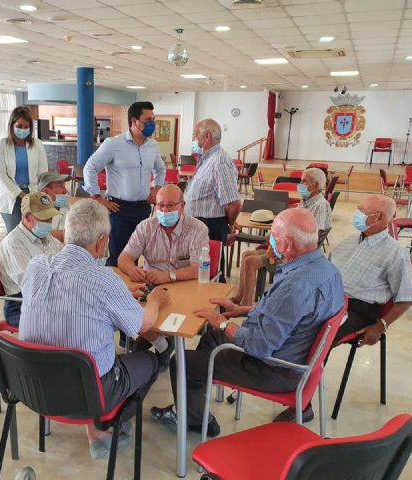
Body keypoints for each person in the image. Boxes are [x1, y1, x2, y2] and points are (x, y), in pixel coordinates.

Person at [150, 209, 344, 437]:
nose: (268, 241)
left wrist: (221, 322)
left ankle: (191, 419)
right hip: (293, 354)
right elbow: (291, 315)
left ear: (288, 245)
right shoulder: (326, 269)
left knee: (182, 362)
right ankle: (197, 408)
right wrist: (241, 309)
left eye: (273, 235)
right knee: (211, 337)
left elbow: (260, 346)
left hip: (274, 368)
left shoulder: (294, 286)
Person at [19, 199, 169, 459]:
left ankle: (97, 429)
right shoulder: (102, 279)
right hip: (87, 395)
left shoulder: (36, 266)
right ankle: (107, 426)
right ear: (101, 242)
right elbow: (143, 324)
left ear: (66, 234)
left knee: (83, 352)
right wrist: (155, 300)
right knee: (151, 361)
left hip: (33, 387)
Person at [273, 194, 412, 423]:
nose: (356, 214)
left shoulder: (395, 252)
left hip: (358, 308)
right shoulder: (350, 240)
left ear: (378, 217)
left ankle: (303, 404)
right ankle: (278, 377)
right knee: (284, 316)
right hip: (329, 295)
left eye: (361, 209)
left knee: (316, 336)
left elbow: (406, 298)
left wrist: (380, 325)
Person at [118, 184, 209, 367]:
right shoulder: (146, 227)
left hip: (186, 286)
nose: (164, 210)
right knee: (124, 309)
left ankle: (155, 340)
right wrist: (132, 270)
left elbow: (197, 269)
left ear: (182, 207)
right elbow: (124, 258)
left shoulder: (197, 229)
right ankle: (161, 344)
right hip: (151, 285)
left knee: (170, 317)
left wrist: (168, 276)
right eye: (160, 205)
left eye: (170, 205)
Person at [229, 167, 333, 305]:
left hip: (296, 256)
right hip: (286, 248)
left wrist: (279, 247)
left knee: (250, 262)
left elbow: (312, 240)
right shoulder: (305, 202)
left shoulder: (320, 205)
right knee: (246, 255)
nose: (300, 184)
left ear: (314, 185)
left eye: (303, 181)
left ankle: (246, 303)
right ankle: (239, 296)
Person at [84, 101, 166, 267]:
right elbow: (90, 168)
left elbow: (161, 169)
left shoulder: (152, 146)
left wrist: (157, 189)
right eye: (148, 120)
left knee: (135, 257)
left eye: (153, 119)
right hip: (119, 209)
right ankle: (112, 292)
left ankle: (131, 292)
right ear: (134, 121)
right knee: (118, 258)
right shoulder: (113, 144)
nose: (152, 124)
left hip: (143, 208)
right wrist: (96, 197)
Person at [0, 192, 62, 327]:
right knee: (72, 318)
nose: (49, 223)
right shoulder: (13, 243)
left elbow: (65, 262)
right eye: (44, 219)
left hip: (50, 296)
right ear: (27, 217)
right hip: (21, 305)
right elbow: (31, 285)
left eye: (50, 218)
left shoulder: (47, 238)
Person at [184, 119, 241, 245]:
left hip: (210, 226)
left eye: (195, 134)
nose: (194, 139)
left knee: (209, 263)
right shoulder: (208, 158)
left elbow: (233, 203)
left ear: (207, 136)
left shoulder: (219, 162)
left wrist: (229, 224)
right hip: (198, 223)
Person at [0, 106, 49, 233]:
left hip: (33, 194)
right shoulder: (1, 145)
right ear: (12, 125)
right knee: (14, 235)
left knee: (33, 234)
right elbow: (1, 175)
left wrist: (36, 195)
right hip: (11, 195)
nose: (22, 130)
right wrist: (21, 194)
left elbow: (43, 173)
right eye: (19, 126)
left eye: (26, 127)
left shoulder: (37, 144)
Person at [36, 171, 71, 242]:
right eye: (60, 186)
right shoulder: (35, 213)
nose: (65, 191)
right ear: (45, 192)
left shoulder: (67, 207)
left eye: (64, 186)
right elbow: (40, 237)